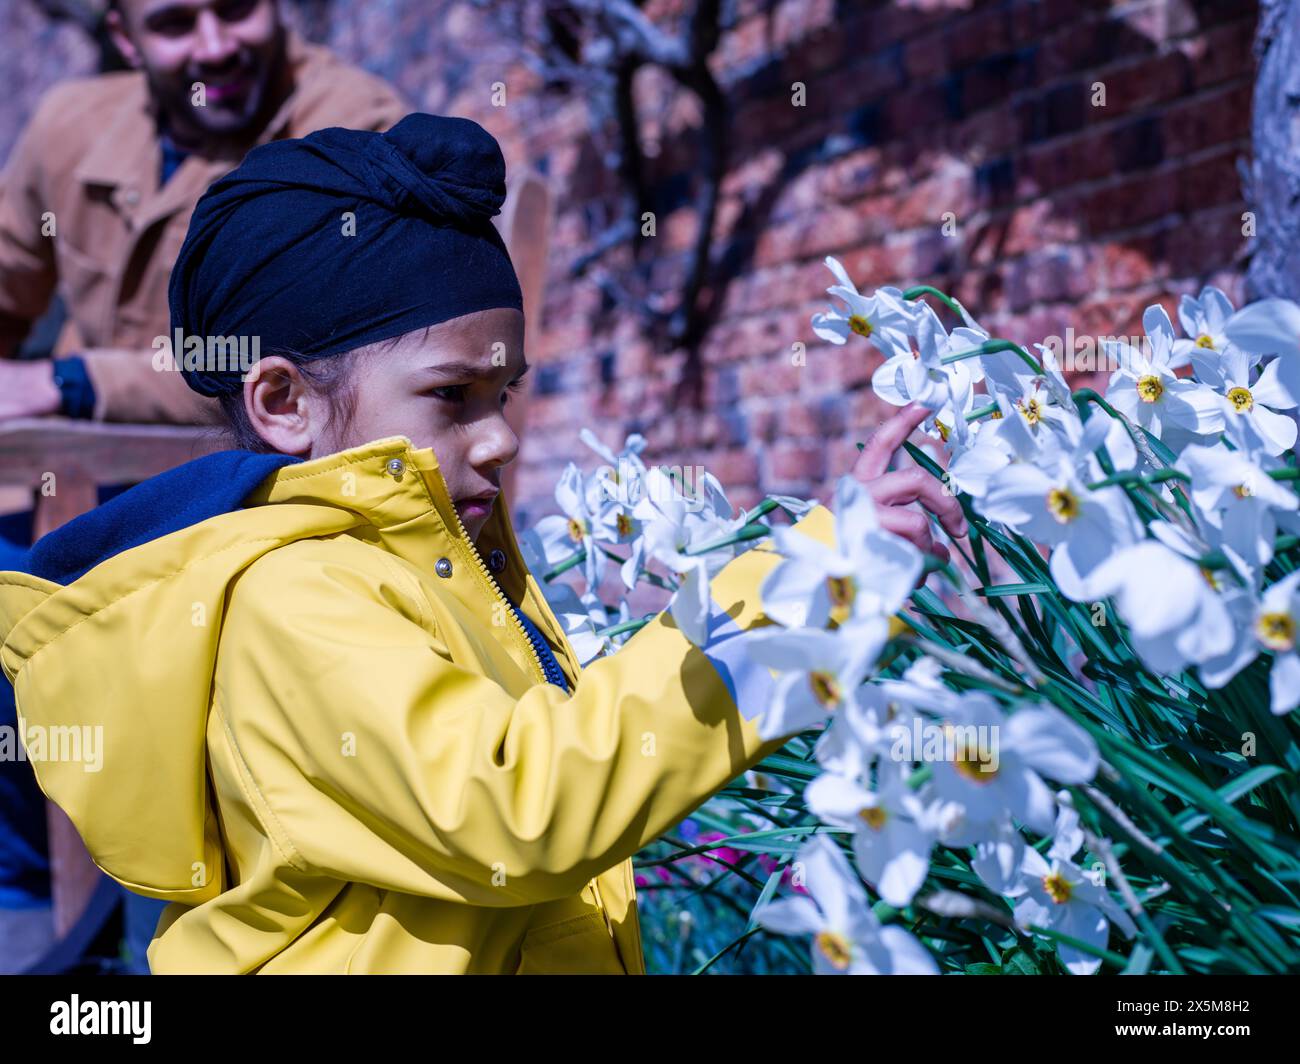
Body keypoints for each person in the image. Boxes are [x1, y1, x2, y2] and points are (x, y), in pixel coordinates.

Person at [0, 113, 967, 974]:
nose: (501, 434)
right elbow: (520, 803)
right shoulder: (292, 599)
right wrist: (796, 593)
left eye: (503, 393)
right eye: (453, 396)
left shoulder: (445, 561)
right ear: (286, 404)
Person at [0, 0, 408, 973]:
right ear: (126, 36)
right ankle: (40, 904)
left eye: (237, 7)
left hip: (277, 496)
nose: (215, 45)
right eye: (176, 21)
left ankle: (120, 914)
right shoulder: (70, 125)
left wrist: (73, 377)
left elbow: (302, 347)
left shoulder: (353, 124)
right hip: (95, 498)